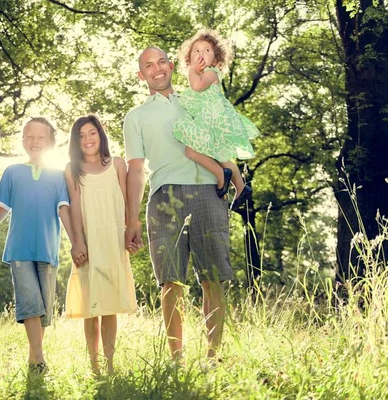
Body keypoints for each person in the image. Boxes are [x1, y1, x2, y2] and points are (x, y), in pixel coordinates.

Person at [123, 46, 233, 361]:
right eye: (148, 65)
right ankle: (177, 360)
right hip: (163, 197)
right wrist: (132, 219)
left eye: (161, 62)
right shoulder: (136, 117)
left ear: (171, 66)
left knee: (213, 277)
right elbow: (135, 170)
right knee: (171, 281)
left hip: (206, 192)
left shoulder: (197, 100)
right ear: (140, 74)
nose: (157, 69)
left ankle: (213, 358)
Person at [0, 117, 72, 375]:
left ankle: (33, 356)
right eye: (30, 137)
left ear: (51, 143)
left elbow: (64, 210)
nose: (35, 142)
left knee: (44, 306)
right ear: (23, 140)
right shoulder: (12, 172)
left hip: (47, 249)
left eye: (41, 138)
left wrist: (77, 242)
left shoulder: (60, 176)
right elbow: (2, 207)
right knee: (30, 303)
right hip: (19, 249)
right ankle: (39, 360)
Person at [64, 115, 138, 374]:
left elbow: (129, 202)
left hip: (113, 241)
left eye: (92, 133)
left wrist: (132, 230)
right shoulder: (72, 169)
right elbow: (74, 209)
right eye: (81, 135)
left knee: (109, 306)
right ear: (76, 141)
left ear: (101, 134)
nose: (87, 139)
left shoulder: (117, 164)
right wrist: (78, 243)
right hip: (89, 243)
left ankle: (110, 363)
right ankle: (94, 365)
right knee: (90, 307)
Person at [173, 28, 259, 210]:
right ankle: (241, 187)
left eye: (207, 51)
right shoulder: (201, 74)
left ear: (216, 59)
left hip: (212, 119)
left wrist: (191, 71)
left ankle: (221, 174)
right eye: (196, 51)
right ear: (189, 56)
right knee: (220, 154)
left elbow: (197, 86)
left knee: (190, 151)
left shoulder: (212, 73)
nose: (201, 54)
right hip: (208, 119)